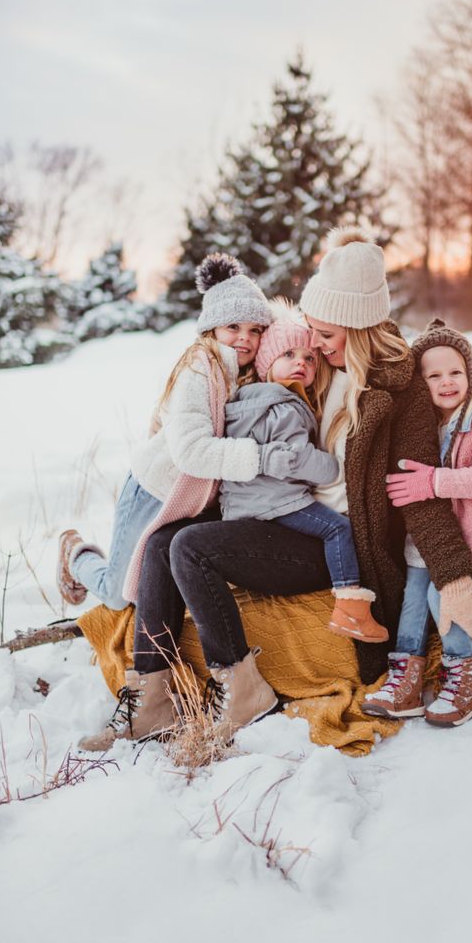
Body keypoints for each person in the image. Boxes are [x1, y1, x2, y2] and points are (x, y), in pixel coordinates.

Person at [127, 228, 472, 745]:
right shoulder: (316, 372)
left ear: (359, 329)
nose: (311, 344)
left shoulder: (398, 399)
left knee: (191, 548)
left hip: (332, 541)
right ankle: (151, 695)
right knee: (163, 541)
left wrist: (453, 576)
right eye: (310, 331)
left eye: (325, 335)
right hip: (280, 510)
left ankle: (243, 689)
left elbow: (419, 497)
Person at [68, 254, 300, 751]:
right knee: (115, 592)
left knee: (164, 555)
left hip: (192, 499)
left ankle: (156, 701)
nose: (243, 337)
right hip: (152, 490)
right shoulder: (201, 365)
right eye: (231, 326)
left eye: (254, 329)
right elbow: (192, 449)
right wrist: (263, 457)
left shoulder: (241, 372)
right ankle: (74, 556)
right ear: (210, 329)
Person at [362, 317, 472, 727]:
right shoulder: (422, 422)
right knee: (412, 601)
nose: (447, 382)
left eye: (456, 372)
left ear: (470, 374)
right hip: (429, 538)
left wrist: (434, 481)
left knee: (440, 597)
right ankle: (406, 680)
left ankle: (464, 675)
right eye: (434, 376)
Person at [220, 303, 388, 643]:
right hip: (275, 502)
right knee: (338, 529)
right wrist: (331, 467)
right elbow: (295, 459)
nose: (301, 362)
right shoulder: (284, 404)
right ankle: (350, 610)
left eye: (310, 358)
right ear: (267, 364)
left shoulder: (245, 401)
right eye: (289, 355)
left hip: (242, 504)